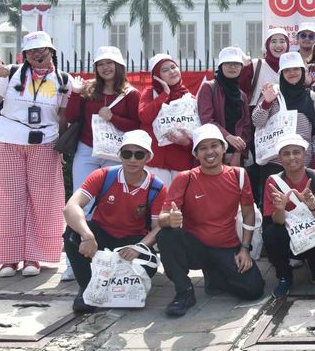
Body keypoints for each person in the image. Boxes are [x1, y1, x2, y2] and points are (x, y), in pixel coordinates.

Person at [0, 31, 70, 278]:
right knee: (7, 199)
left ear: (51, 52)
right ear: (25, 54)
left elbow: (62, 116)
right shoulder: (10, 73)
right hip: (8, 139)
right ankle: (8, 257)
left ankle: (34, 256)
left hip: (46, 142)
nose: (37, 55)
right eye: (32, 51)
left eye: (42, 50)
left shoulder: (63, 79)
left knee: (43, 200)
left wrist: (62, 146)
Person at [156, 124, 264, 317]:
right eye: (203, 148)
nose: (209, 152)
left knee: (254, 290)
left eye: (214, 145)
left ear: (223, 148)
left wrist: (245, 249)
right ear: (196, 154)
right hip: (195, 247)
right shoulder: (185, 178)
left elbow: (249, 213)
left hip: (227, 246)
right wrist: (170, 219)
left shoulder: (238, 175)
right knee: (166, 235)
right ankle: (184, 292)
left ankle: (216, 276)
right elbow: (162, 218)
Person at [62, 130, 166, 313]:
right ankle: (87, 288)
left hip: (133, 239)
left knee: (148, 262)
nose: (132, 159)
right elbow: (71, 206)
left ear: (147, 157)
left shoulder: (157, 187)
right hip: (101, 234)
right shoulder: (103, 176)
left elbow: (158, 228)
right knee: (72, 234)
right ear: (119, 155)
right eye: (127, 153)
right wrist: (87, 235)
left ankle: (118, 289)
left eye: (139, 154)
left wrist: (139, 247)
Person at [61, 45, 141, 281]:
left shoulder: (131, 94)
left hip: (115, 153)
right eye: (101, 64)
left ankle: (105, 258)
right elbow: (71, 116)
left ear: (119, 66)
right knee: (81, 204)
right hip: (87, 151)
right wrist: (76, 93)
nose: (105, 68)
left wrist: (114, 117)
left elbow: (136, 125)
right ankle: (73, 262)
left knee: (109, 205)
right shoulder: (88, 90)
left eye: (110, 63)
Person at [263, 133, 315, 298]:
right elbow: (276, 221)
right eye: (286, 154)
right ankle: (284, 276)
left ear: (305, 154)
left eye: (296, 152)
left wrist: (312, 205)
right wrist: (280, 208)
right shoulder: (273, 182)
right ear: (280, 158)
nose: (292, 157)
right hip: (292, 235)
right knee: (271, 232)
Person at [253, 51, 315, 163]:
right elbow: (257, 122)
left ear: (302, 71)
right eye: (287, 70)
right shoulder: (273, 93)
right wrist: (267, 103)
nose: (292, 73)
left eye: (296, 69)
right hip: (275, 163)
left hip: (303, 164)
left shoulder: (311, 97)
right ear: (281, 73)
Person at [138, 54, 195, 187]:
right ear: (156, 76)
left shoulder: (189, 98)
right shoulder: (150, 93)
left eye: (173, 67)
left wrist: (186, 143)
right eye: (164, 70)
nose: (171, 72)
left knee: (178, 198)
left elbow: (196, 131)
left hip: (180, 161)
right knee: (157, 198)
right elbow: (145, 117)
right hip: (155, 162)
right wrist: (164, 94)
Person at [197, 46, 252, 168]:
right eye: (228, 64)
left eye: (236, 64)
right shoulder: (208, 88)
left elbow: (246, 127)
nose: (232, 67)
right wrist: (228, 137)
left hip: (235, 155)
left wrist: (238, 153)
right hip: (212, 151)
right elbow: (207, 120)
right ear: (221, 66)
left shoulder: (242, 95)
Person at [240, 27, 289, 108]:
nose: (278, 45)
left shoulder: (293, 67)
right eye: (273, 41)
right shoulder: (254, 65)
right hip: (257, 113)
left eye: (282, 41)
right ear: (267, 45)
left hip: (286, 114)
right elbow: (241, 93)